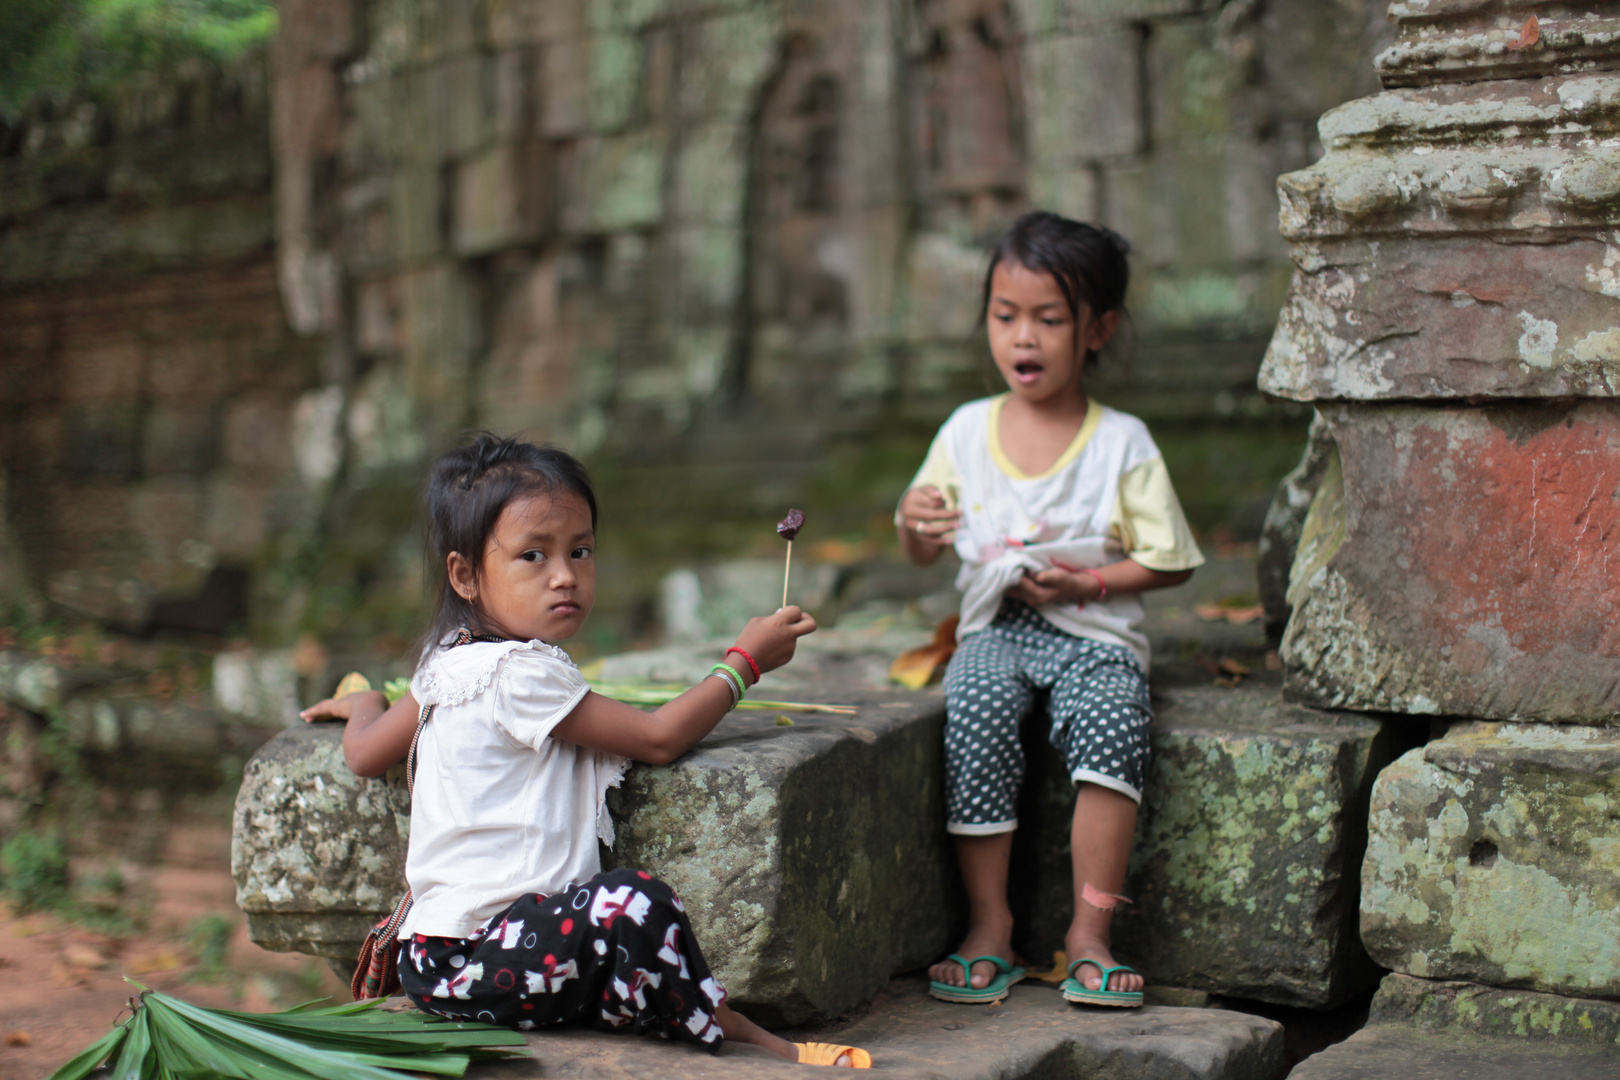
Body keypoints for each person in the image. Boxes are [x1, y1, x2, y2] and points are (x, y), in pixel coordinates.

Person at [301, 435, 870, 1068]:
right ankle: (735, 1027)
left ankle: (683, 1015)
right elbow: (658, 738)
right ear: (464, 574)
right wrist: (744, 664)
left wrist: (360, 704)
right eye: (532, 556)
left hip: (441, 959)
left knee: (615, 918)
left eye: (579, 550)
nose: (565, 575)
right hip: (480, 955)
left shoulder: (447, 663)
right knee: (633, 903)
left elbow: (362, 755)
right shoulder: (520, 674)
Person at [896, 212, 1203, 1009]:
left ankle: (1090, 936)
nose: (1022, 339)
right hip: (995, 627)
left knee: (1113, 721)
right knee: (976, 701)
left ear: (1097, 328)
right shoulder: (966, 431)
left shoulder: (1121, 443)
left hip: (1093, 630)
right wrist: (912, 520)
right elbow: (924, 546)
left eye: (1048, 319)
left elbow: (1168, 559)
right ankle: (990, 926)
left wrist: (1089, 584)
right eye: (1005, 317)